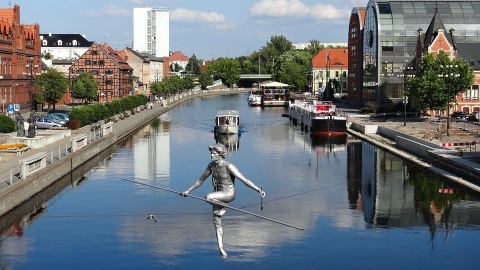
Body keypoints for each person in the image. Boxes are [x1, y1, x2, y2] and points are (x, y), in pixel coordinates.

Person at [181, 143, 265, 259]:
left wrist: (258, 190)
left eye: (214, 153)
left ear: (221, 154)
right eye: (211, 153)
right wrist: (188, 191)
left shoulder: (228, 166)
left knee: (208, 197)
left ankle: (225, 207)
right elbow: (200, 180)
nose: (211, 155)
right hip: (218, 197)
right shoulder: (211, 166)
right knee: (216, 221)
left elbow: (244, 179)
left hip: (229, 194)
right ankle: (221, 249)